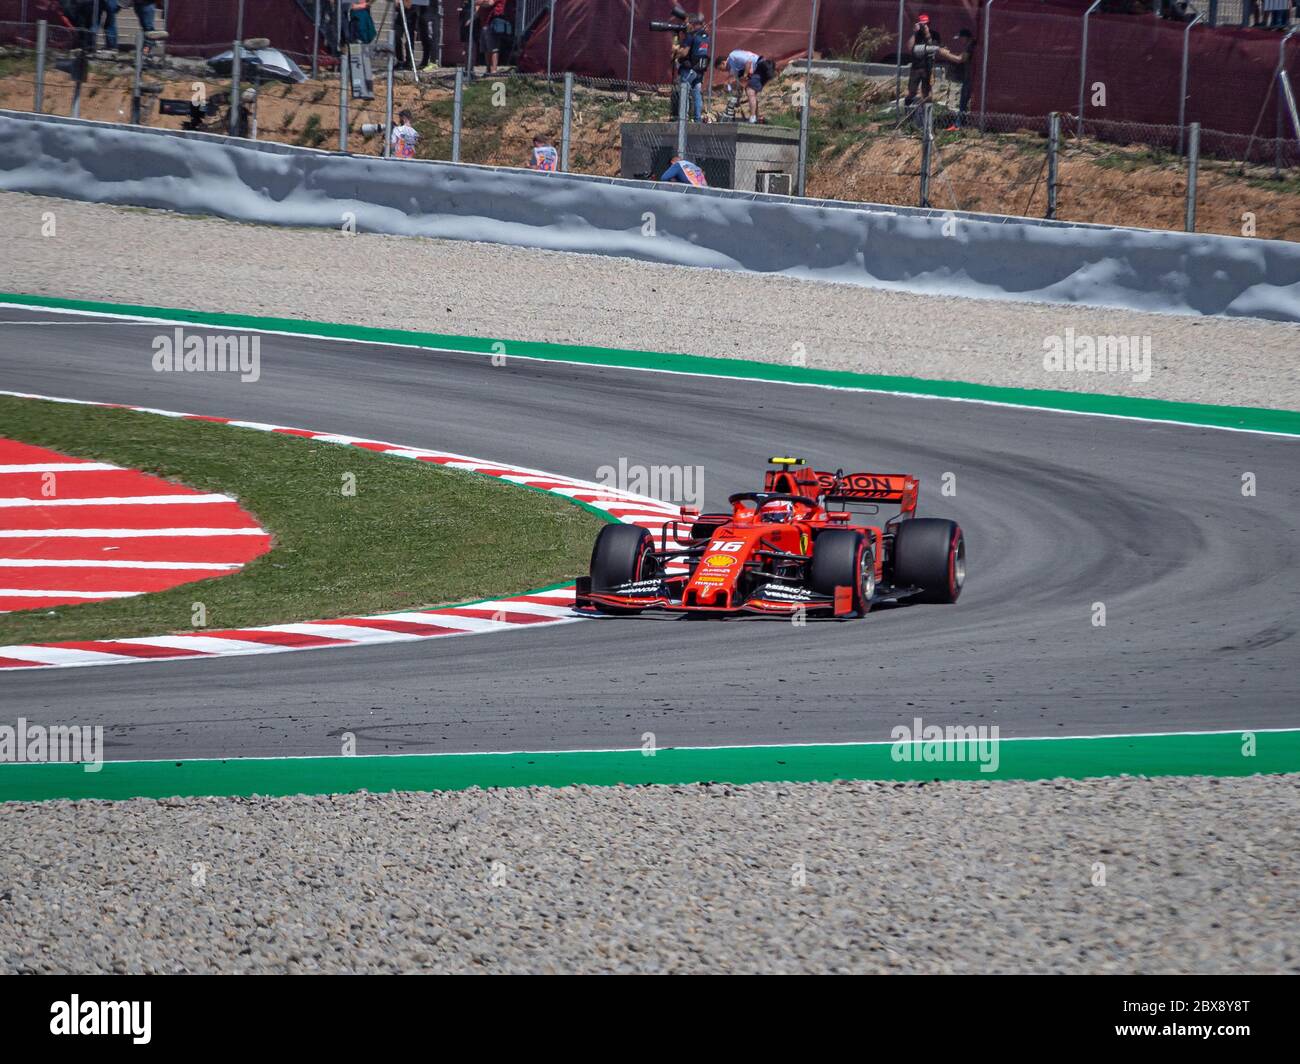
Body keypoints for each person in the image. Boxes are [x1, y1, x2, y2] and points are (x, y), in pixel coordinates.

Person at [673, 13, 710, 122]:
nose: (687, 24)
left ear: (693, 23)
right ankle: (697, 119)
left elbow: (684, 53)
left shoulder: (691, 36)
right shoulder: (705, 36)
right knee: (696, 93)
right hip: (699, 69)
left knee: (684, 92)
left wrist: (676, 50)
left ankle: (683, 119)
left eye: (689, 22)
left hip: (688, 69)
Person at [946, 28, 976, 129]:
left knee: (963, 102)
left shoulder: (970, 46)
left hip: (970, 78)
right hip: (970, 77)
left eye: (961, 38)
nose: (960, 41)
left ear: (965, 37)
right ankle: (961, 122)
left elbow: (960, 59)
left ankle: (958, 124)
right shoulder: (971, 45)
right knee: (964, 101)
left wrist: (945, 54)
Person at [478, 0, 512, 74]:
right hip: (484, 23)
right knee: (486, 49)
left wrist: (479, 2)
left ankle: (494, 70)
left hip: (492, 24)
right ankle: (488, 69)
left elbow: (489, 3)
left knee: (493, 48)